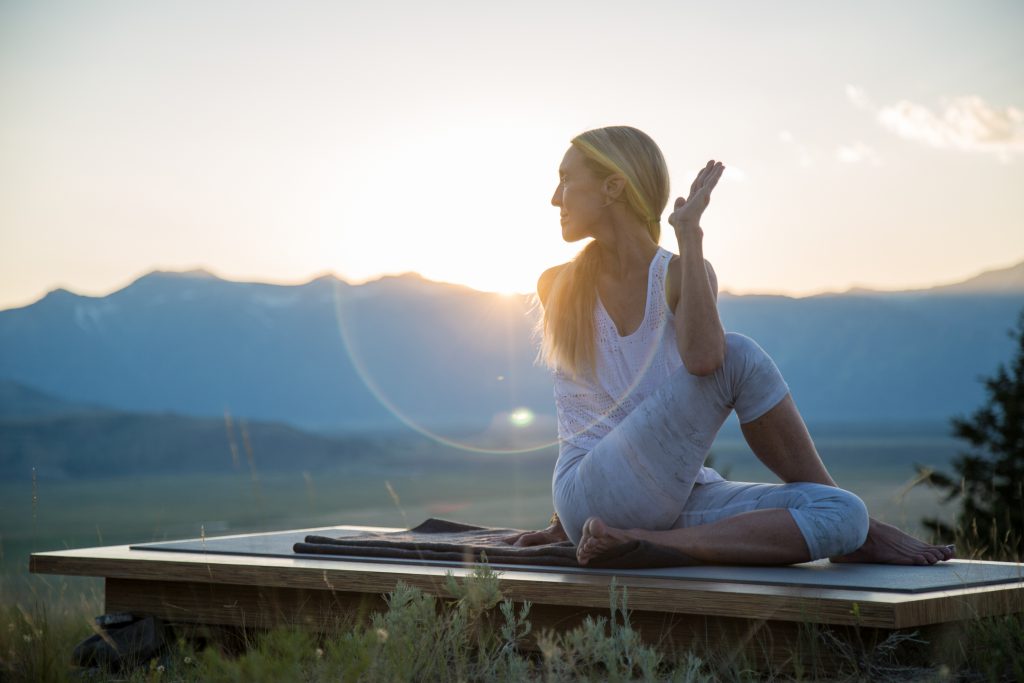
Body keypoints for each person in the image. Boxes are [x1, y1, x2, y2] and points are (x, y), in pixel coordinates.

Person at [503, 126, 954, 567]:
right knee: (737, 355)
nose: (555, 198)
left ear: (612, 187)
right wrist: (564, 519)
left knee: (842, 514)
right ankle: (866, 533)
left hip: (666, 495)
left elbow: (700, 357)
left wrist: (689, 238)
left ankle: (649, 543)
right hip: (589, 493)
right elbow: (611, 403)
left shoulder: (683, 274)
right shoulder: (558, 284)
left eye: (565, 180)